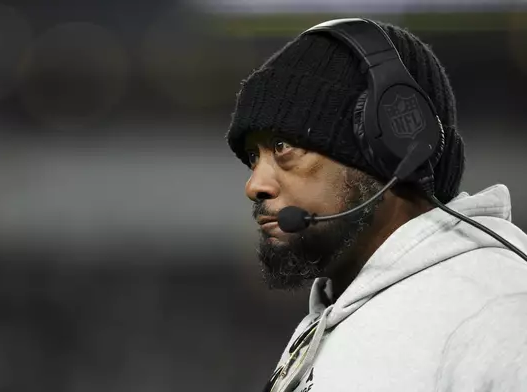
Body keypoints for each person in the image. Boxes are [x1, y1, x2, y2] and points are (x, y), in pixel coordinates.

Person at [225, 19, 527, 392]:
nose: (255, 185)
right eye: (254, 156)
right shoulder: (337, 317)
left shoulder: (500, 316)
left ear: (395, 146)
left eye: (283, 147)